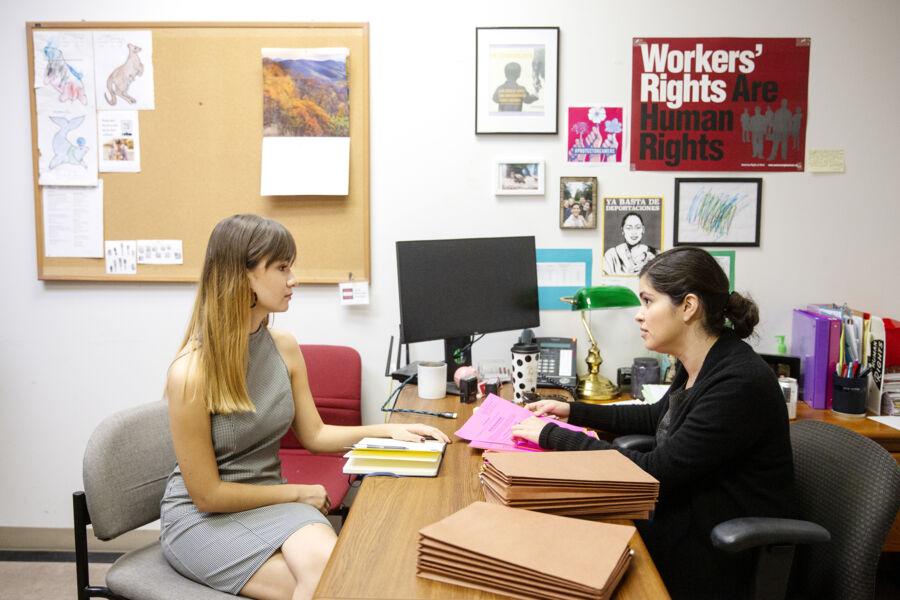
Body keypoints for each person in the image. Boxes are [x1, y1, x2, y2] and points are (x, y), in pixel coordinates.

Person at [159, 214, 450, 600]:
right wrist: (296, 494)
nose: (293, 279)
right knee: (335, 585)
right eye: (281, 268)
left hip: (267, 500)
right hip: (204, 520)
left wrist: (388, 430)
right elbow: (207, 495)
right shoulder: (190, 372)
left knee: (341, 574)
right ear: (241, 276)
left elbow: (315, 435)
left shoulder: (283, 347)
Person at [511, 246, 796, 598]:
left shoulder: (738, 382)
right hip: (682, 519)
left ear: (688, 307)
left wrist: (552, 436)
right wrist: (573, 411)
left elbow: (654, 470)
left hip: (717, 552)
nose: (639, 315)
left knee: (562, 548)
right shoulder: (701, 362)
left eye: (648, 301)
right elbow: (655, 416)